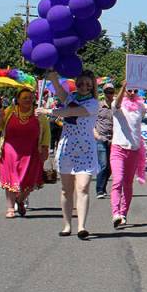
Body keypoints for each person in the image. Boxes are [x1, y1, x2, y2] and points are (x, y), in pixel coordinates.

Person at [37, 70, 100, 239]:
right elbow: (59, 91)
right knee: (66, 189)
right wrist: (53, 77)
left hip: (85, 150)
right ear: (76, 83)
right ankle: (66, 225)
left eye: (88, 84)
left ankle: (81, 226)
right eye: (80, 83)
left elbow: (70, 113)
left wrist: (48, 111)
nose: (84, 87)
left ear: (93, 86)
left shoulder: (94, 104)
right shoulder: (70, 97)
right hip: (67, 148)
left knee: (83, 188)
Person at [109, 78, 147, 227]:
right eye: (129, 90)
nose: (132, 93)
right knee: (117, 180)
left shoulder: (140, 106)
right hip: (118, 148)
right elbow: (117, 103)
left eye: (135, 90)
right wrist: (123, 87)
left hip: (133, 150)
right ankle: (115, 213)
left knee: (127, 183)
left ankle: (123, 213)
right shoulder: (117, 105)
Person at [0, 87, 50, 218]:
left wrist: (45, 148)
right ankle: (10, 208)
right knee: (10, 179)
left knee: (29, 182)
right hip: (10, 151)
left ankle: (20, 200)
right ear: (18, 100)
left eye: (30, 98)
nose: (28, 100)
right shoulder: (9, 111)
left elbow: (46, 133)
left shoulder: (39, 115)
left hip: (32, 152)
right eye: (24, 97)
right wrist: (1, 118)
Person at [93, 82, 115, 199]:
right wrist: (96, 135)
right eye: (107, 91)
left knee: (110, 167)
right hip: (101, 138)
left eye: (111, 92)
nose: (109, 94)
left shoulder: (116, 107)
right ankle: (99, 190)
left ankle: (103, 186)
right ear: (104, 93)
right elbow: (91, 123)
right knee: (103, 164)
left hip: (114, 140)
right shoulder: (98, 106)